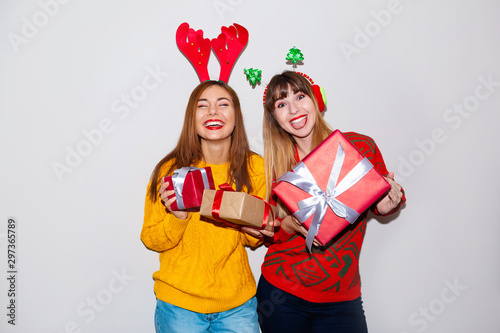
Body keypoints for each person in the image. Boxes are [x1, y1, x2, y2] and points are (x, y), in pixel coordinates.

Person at [256, 70, 406, 333]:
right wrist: (289, 224)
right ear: (275, 119)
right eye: (282, 104)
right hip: (281, 294)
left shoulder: (358, 146)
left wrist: (390, 200)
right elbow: (269, 234)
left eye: (300, 96)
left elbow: (381, 202)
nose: (293, 110)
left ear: (315, 100)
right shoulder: (274, 169)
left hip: (341, 298)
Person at [141, 80, 273, 333]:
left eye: (223, 104)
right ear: (192, 118)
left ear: (236, 117)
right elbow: (150, 238)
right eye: (203, 106)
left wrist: (253, 228)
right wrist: (177, 217)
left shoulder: (255, 168)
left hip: (237, 304)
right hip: (178, 304)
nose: (213, 111)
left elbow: (254, 240)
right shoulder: (170, 170)